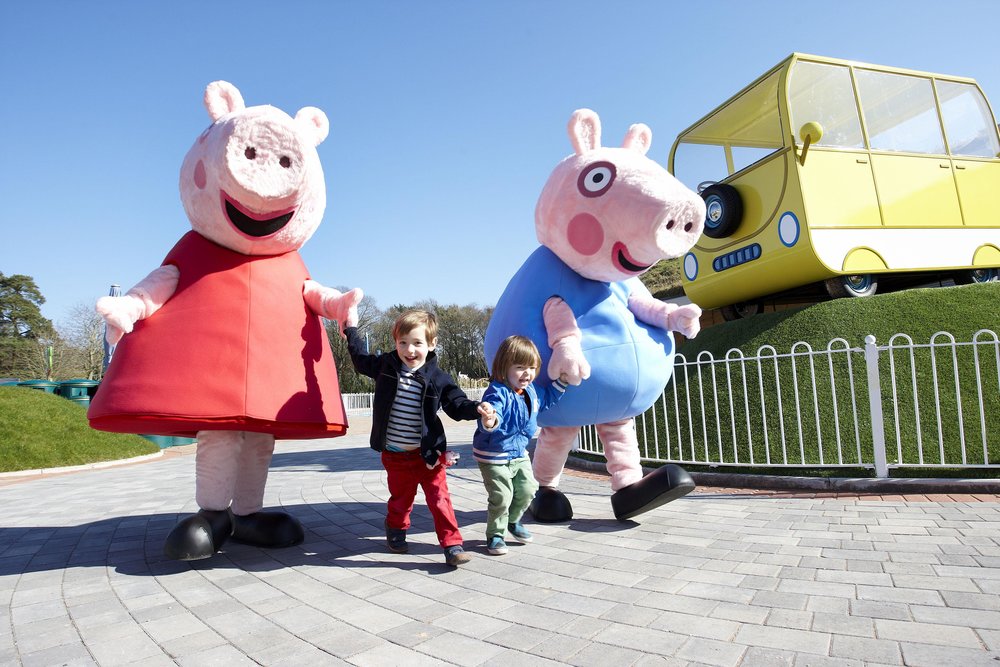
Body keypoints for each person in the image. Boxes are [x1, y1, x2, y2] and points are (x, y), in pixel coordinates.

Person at [345, 309, 493, 567]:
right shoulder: (386, 366)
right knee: (401, 500)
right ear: (395, 343)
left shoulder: (438, 378)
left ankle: (452, 544)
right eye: (403, 343)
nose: (409, 350)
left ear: (432, 344)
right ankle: (396, 529)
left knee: (440, 499)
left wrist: (477, 409)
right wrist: (351, 329)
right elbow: (359, 360)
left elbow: (456, 404)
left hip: (429, 456)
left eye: (417, 343)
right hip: (394, 454)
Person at [474, 335, 572, 555]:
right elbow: (493, 410)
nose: (527, 373)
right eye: (520, 367)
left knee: (529, 490)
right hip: (494, 454)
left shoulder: (532, 390)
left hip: (519, 453)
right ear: (504, 366)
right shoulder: (498, 391)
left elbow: (546, 399)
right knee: (502, 496)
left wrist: (562, 382)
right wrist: (490, 419)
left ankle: (513, 521)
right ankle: (496, 534)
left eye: (532, 367)